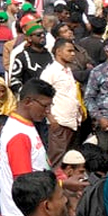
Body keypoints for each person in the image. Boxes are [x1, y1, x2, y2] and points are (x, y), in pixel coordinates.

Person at [0, 79, 53, 216]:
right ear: (28, 101)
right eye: (45, 106)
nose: (48, 111)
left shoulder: (26, 126)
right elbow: (24, 184)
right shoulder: (18, 135)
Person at [39, 38, 81, 166]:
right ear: (58, 51)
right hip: (59, 122)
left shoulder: (68, 70)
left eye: (73, 51)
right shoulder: (50, 72)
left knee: (69, 162)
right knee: (57, 160)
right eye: (69, 51)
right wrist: (51, 119)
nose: (72, 54)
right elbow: (42, 97)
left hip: (72, 122)